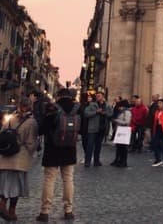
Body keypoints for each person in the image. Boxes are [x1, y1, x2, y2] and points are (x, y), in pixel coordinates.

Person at [36, 88, 78, 222]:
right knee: (68, 179)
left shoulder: (52, 108)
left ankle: (45, 211)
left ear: (58, 96)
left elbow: (42, 129)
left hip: (52, 149)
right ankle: (68, 210)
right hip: (70, 148)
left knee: (49, 179)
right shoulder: (77, 108)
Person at [0, 97, 39, 221]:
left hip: (6, 158)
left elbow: (2, 133)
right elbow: (31, 143)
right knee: (16, 187)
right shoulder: (32, 122)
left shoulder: (11, 118)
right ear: (30, 107)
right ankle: (11, 211)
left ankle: (3, 205)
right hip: (20, 159)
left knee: (5, 185)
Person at [82, 92, 111, 167]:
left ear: (103, 97)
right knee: (90, 145)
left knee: (98, 146)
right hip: (93, 128)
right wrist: (96, 112)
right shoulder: (92, 105)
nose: (98, 97)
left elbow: (111, 114)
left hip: (102, 128)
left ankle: (96, 161)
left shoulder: (107, 105)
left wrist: (105, 113)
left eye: (99, 96)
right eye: (97, 96)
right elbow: (86, 113)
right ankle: (87, 161)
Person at [110, 99, 131, 167]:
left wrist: (116, 120)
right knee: (119, 147)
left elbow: (127, 121)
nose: (119, 108)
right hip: (120, 130)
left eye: (120, 106)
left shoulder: (127, 112)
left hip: (124, 131)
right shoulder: (122, 112)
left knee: (123, 147)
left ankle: (123, 161)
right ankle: (118, 160)